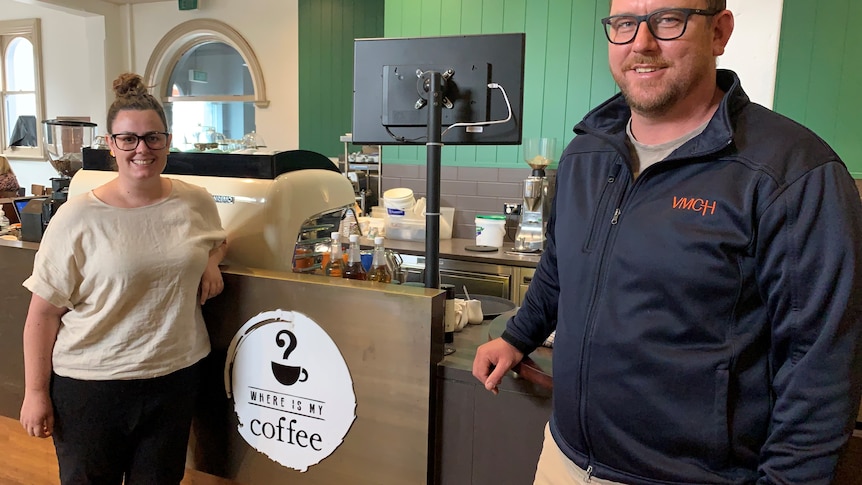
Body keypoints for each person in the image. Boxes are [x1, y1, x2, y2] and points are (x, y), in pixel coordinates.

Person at [473, 0, 862, 483]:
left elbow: (820, 365)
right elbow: (560, 264)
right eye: (624, 24)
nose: (641, 43)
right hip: (565, 459)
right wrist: (517, 335)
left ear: (719, 32)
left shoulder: (792, 173)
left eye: (668, 20)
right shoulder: (588, 153)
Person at [18, 72, 228, 484]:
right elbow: (42, 315)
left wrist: (210, 259)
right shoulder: (77, 217)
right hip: (92, 387)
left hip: (175, 379)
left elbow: (217, 240)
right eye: (128, 139)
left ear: (167, 140)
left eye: (153, 137)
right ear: (111, 144)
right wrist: (36, 393)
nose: (141, 149)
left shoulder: (195, 201)